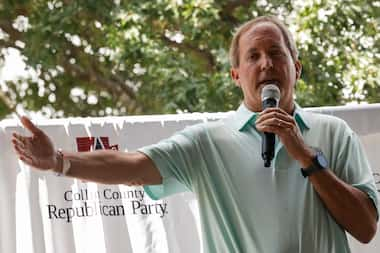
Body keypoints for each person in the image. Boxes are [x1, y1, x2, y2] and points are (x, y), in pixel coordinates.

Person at [12, 16, 378, 252]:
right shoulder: (208, 142)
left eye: (275, 53)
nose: (266, 63)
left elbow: (365, 229)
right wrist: (59, 161)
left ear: (296, 68)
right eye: (253, 56)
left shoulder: (334, 132)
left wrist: (307, 158)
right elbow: (135, 166)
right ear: (236, 75)